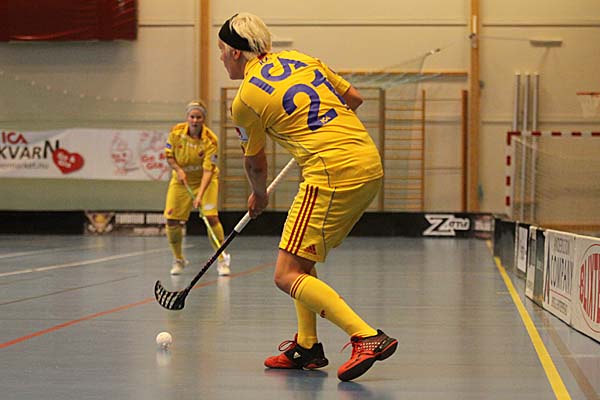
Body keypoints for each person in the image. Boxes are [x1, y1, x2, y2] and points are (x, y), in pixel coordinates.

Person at [217, 13, 397, 381]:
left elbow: (255, 163)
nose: (220, 57)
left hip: (332, 174)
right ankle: (307, 346)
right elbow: (354, 98)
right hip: (367, 161)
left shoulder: (246, 98)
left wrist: (258, 196)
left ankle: (366, 336)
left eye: (221, 50)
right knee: (300, 259)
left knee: (285, 275)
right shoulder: (301, 59)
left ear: (235, 52)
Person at [163, 100, 231, 276]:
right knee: (171, 220)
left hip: (205, 181)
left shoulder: (210, 140)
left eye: (198, 117)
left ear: (203, 119)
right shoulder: (176, 132)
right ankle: (178, 259)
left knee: (211, 217)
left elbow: (208, 170)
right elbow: (169, 157)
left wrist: (199, 195)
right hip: (181, 181)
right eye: (192, 117)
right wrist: (178, 170)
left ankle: (222, 260)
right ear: (187, 117)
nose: (195, 121)